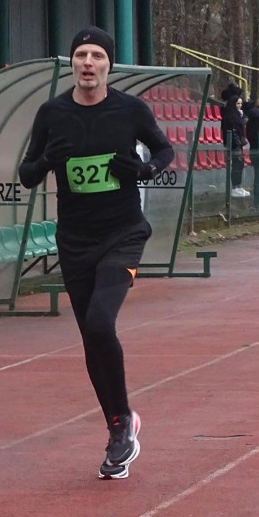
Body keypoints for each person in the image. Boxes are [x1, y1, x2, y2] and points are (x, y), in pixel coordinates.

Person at [18, 26, 174, 480]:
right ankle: (118, 423)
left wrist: (143, 169)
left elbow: (164, 150)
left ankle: (122, 423)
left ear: (109, 65)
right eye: (81, 55)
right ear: (72, 63)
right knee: (91, 334)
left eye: (97, 56)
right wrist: (47, 161)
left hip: (122, 233)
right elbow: (27, 174)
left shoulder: (130, 110)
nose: (88, 62)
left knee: (101, 321)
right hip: (75, 239)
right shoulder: (52, 113)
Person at [221, 94, 250, 198]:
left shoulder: (238, 115)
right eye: (238, 103)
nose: (240, 106)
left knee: (240, 164)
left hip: (238, 143)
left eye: (241, 103)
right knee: (237, 165)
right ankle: (235, 187)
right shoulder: (229, 117)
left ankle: (238, 186)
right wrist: (237, 143)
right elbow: (233, 132)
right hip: (234, 144)